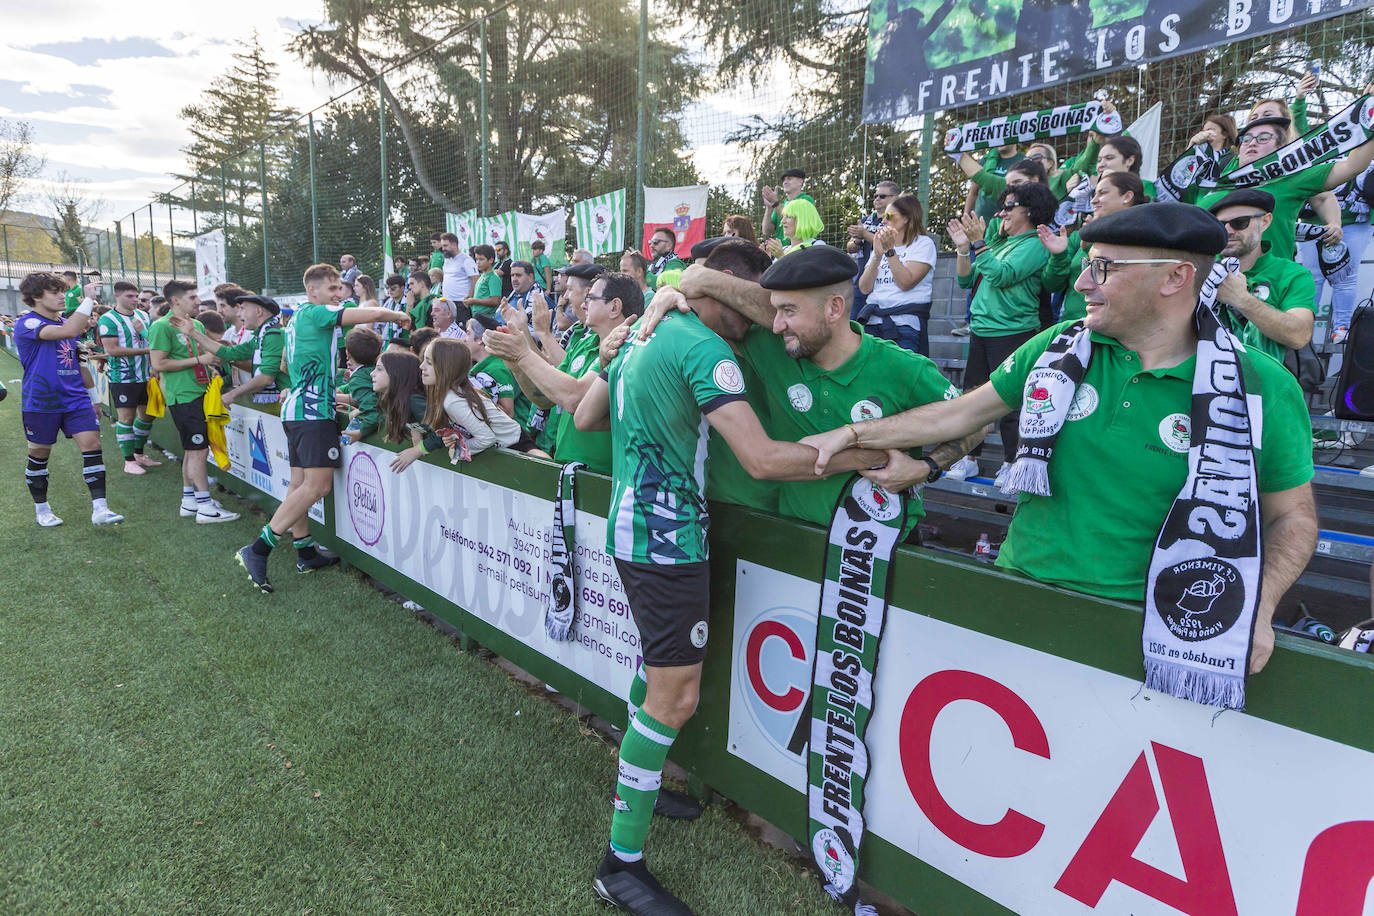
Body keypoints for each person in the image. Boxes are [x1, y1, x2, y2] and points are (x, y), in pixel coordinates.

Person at [801, 203, 1318, 675]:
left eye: (1104, 268)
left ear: (1176, 278)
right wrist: (850, 432)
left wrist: (1260, 606)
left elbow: (1292, 516)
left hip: (1149, 635)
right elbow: (956, 416)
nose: (1083, 283)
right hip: (1016, 600)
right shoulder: (1059, 348)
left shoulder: (1262, 388)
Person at [572, 255, 907, 916]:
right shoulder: (705, 348)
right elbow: (763, 458)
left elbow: (586, 417)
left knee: (656, 676)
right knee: (676, 696)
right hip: (667, 543)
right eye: (759, 305)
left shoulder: (646, 333)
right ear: (730, 291)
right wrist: (870, 454)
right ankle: (621, 863)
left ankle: (639, 786)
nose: (764, 323)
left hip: (636, 528)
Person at [653, 241, 981, 528]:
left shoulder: (902, 368)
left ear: (834, 308)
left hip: (878, 553)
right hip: (793, 539)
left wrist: (927, 468)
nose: (776, 324)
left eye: (789, 311)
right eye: (776, 310)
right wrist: (670, 293)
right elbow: (702, 306)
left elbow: (976, 422)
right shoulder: (773, 347)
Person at [235, 264, 411, 593]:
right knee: (317, 488)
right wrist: (395, 316)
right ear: (313, 291)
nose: (338, 295)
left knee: (299, 485)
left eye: (339, 289)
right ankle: (258, 549)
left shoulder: (302, 317)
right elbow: (362, 315)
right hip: (312, 413)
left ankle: (305, 552)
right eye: (332, 289)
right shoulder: (316, 313)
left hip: (299, 409)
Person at [949, 181, 1057, 486]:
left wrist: (980, 244)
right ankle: (969, 458)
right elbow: (966, 281)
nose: (1001, 213)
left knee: (1010, 402)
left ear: (1030, 210)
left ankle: (1012, 462)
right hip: (981, 330)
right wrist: (962, 248)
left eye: (1008, 207)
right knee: (971, 400)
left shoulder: (1036, 243)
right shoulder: (997, 242)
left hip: (1013, 331)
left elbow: (1001, 275)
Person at [482, 271, 642, 474]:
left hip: (605, 475)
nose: (584, 304)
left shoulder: (627, 348)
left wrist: (523, 353)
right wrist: (516, 365)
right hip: (568, 468)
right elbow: (546, 398)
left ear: (615, 307)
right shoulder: (584, 344)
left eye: (591, 298)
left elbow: (574, 398)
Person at [14, 272, 124, 527]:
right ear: (35, 298)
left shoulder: (65, 322)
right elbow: (70, 329)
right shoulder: (28, 323)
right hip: (42, 402)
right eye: (55, 292)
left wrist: (94, 398)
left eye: (62, 290)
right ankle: (42, 510)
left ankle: (101, 509)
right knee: (39, 455)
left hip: (75, 399)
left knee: (93, 444)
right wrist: (87, 300)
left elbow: (78, 363)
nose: (62, 296)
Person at [1191, 112, 1373, 263]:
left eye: (1263, 138)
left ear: (1280, 148)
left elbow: (1353, 166)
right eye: (1246, 139)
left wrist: (1369, 120)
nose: (1252, 143)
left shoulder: (1292, 177)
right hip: (1207, 280)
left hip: (1269, 285)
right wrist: (1191, 151)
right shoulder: (1216, 175)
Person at [146, 280, 241, 524]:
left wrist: (211, 364)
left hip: (200, 393)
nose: (198, 301)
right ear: (175, 300)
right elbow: (158, 364)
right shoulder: (161, 327)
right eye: (192, 297)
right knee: (198, 451)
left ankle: (189, 500)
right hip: (183, 396)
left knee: (193, 449)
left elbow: (201, 356)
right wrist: (200, 360)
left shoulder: (196, 324)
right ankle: (205, 507)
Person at [1208, 189, 1316, 362]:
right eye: (1220, 225)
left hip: (1264, 385)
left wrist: (1242, 300)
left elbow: (1299, 335)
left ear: (1265, 222)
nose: (1228, 230)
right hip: (1203, 380)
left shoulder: (1291, 274)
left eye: (1239, 222)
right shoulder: (1199, 270)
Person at [1039, 171, 1148, 322]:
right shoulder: (1079, 235)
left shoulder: (1144, 236)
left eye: (1102, 193)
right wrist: (1059, 255)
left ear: (1127, 196)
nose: (1094, 200)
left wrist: (1090, 249)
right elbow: (1052, 285)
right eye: (1094, 194)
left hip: (1117, 326)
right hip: (1073, 328)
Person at [174, 293, 289, 407]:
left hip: (289, 401)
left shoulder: (274, 335)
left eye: (242, 309)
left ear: (258, 312)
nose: (238, 314)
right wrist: (193, 333)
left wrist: (232, 395)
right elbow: (229, 353)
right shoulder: (263, 335)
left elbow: (266, 378)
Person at [856, 193, 937, 355]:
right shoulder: (879, 246)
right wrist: (878, 256)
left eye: (889, 216)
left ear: (906, 218)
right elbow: (864, 288)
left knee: (900, 378)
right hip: (873, 322)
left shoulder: (923, 244)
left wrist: (890, 251)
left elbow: (905, 282)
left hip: (904, 324)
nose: (884, 221)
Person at [98, 280, 161, 475]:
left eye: (137, 296)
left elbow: (154, 339)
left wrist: (154, 365)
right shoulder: (108, 319)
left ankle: (139, 454)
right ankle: (128, 461)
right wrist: (146, 351)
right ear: (117, 296)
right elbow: (112, 350)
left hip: (146, 376)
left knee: (147, 416)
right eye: (130, 296)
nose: (135, 300)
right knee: (126, 417)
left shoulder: (143, 315)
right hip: (123, 377)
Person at [421, 338, 526, 456]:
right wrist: (454, 437)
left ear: (447, 367)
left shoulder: (452, 400)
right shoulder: (450, 395)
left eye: (429, 362)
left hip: (515, 444)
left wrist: (459, 450)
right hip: (505, 445)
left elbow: (486, 438)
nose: (421, 366)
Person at [464, 313, 536, 430]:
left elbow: (507, 413)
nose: (464, 339)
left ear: (480, 339)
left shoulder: (498, 368)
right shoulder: (486, 366)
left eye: (468, 333)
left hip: (515, 438)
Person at [340, 326, 383, 443]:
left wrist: (361, 431)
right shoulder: (371, 370)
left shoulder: (359, 378)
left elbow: (372, 411)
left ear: (347, 353)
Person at [964, 143, 1024, 223]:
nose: (1000, 140)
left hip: (1007, 224)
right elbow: (973, 193)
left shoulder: (1023, 161)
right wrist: (965, 219)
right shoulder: (986, 160)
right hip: (981, 224)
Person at [761, 167, 815, 242]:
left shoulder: (806, 200)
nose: (785, 182)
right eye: (784, 180)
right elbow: (766, 231)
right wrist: (769, 208)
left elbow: (795, 221)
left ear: (800, 181)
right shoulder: (780, 206)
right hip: (781, 251)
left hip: (801, 249)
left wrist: (775, 202)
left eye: (789, 179)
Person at [464, 244, 503, 320]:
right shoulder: (483, 275)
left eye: (481, 259)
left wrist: (473, 301)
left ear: (491, 260)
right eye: (476, 259)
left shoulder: (493, 277)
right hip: (478, 316)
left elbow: (495, 301)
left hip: (486, 318)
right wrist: (469, 298)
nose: (478, 262)